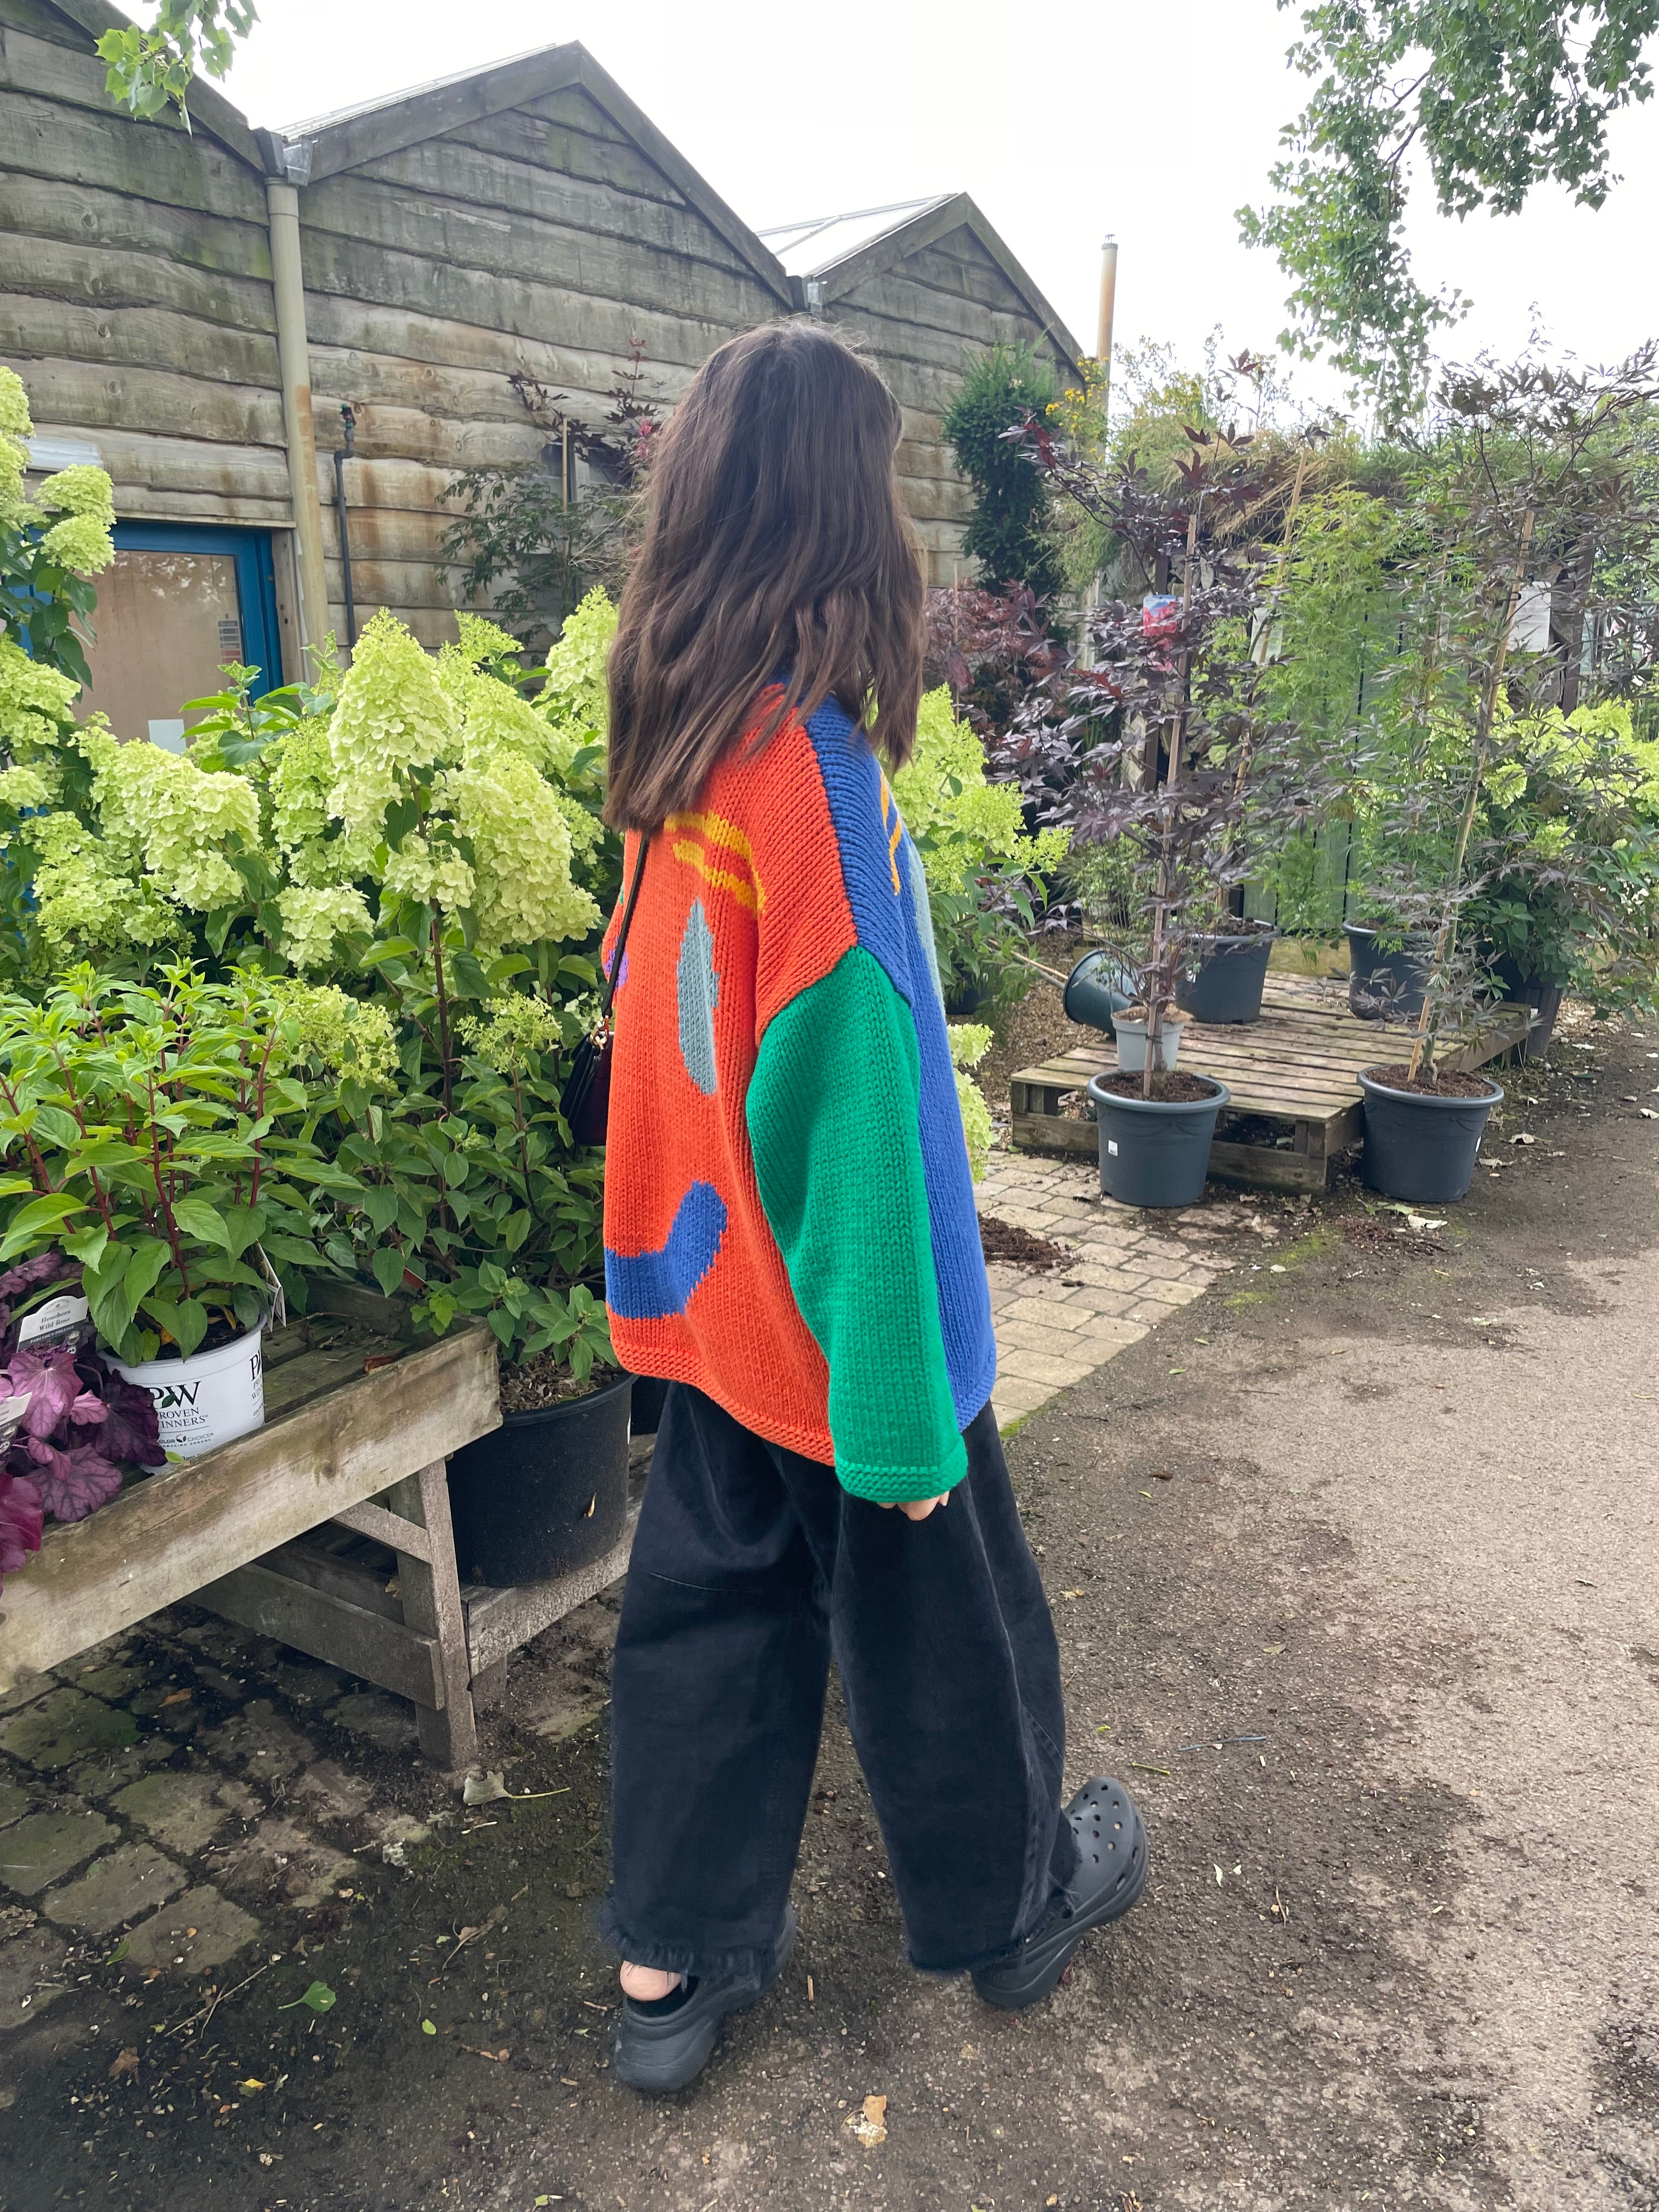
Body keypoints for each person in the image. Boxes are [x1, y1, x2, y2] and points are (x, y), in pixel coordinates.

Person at [595, 318, 1147, 2094]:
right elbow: (857, 1128)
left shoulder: (680, 750)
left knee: (707, 1620)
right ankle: (1011, 1916)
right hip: (849, 1336)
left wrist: (663, 1297)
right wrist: (901, 1416)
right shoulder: (810, 779)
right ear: (846, 516)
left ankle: (666, 1972)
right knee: (950, 1638)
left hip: (717, 1306)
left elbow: (655, 1046)